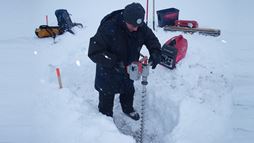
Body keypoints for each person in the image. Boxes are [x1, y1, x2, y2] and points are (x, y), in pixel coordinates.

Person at [88, 2, 161, 120]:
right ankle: (105, 124)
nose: (136, 28)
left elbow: (151, 39)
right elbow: (94, 51)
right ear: (124, 20)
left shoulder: (140, 26)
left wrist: (156, 52)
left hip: (129, 69)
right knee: (106, 101)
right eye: (132, 25)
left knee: (128, 90)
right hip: (108, 72)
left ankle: (128, 109)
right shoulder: (109, 27)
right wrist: (117, 63)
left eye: (138, 25)